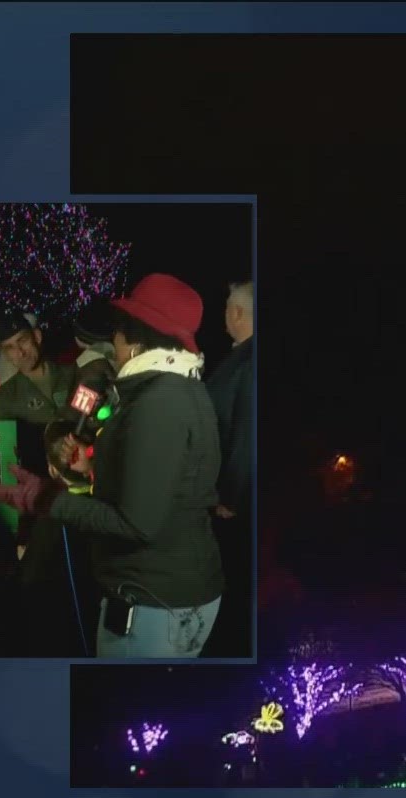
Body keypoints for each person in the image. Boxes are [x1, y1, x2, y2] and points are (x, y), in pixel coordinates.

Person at [45, 273, 224, 658]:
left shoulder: (159, 403)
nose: (113, 343)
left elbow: (137, 524)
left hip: (152, 605)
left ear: (137, 340)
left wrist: (48, 501)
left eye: (118, 335)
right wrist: (88, 473)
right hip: (176, 594)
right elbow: (164, 485)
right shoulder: (184, 387)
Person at [0, 420, 99, 655]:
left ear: (53, 469)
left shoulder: (53, 521)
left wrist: (24, 558)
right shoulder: (107, 500)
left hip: (61, 637)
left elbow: (30, 583)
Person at [203, 280, 256, 656]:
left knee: (235, 581)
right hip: (225, 496)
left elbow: (247, 431)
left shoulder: (250, 361)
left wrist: (231, 494)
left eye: (227, 307)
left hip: (233, 503)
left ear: (237, 313)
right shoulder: (239, 356)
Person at [0, 311, 79, 428]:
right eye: (10, 348)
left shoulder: (75, 375)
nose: (21, 353)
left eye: (22, 340)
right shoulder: (4, 398)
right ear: (5, 354)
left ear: (37, 337)